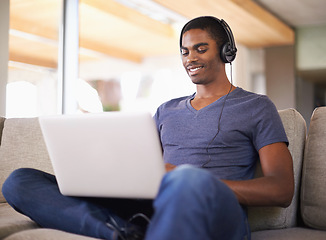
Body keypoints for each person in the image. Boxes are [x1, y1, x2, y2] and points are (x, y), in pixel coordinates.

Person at [2, 16, 294, 240]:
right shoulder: (167, 110)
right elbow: (146, 170)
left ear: (226, 52)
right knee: (19, 181)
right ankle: (121, 232)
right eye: (184, 51)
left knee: (186, 180)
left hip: (217, 212)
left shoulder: (256, 106)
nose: (190, 58)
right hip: (153, 207)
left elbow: (281, 189)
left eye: (200, 49)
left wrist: (189, 180)